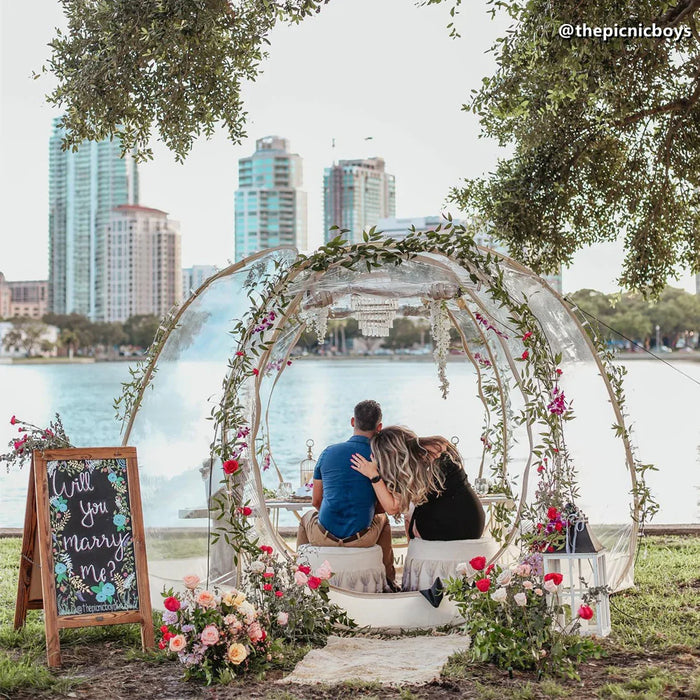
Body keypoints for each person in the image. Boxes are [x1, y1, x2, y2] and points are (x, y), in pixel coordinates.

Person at [296, 400, 397, 590]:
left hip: (324, 535)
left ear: (353, 422)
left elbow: (316, 501)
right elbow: (385, 504)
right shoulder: (381, 457)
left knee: (305, 519)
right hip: (362, 538)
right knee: (383, 520)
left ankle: (300, 577)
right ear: (379, 427)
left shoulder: (328, 453)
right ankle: (389, 581)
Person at [350, 426, 485, 541]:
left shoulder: (408, 467)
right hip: (475, 522)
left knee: (409, 515)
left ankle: (412, 564)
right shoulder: (439, 444)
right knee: (415, 509)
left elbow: (392, 508)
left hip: (446, 529)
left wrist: (374, 476)